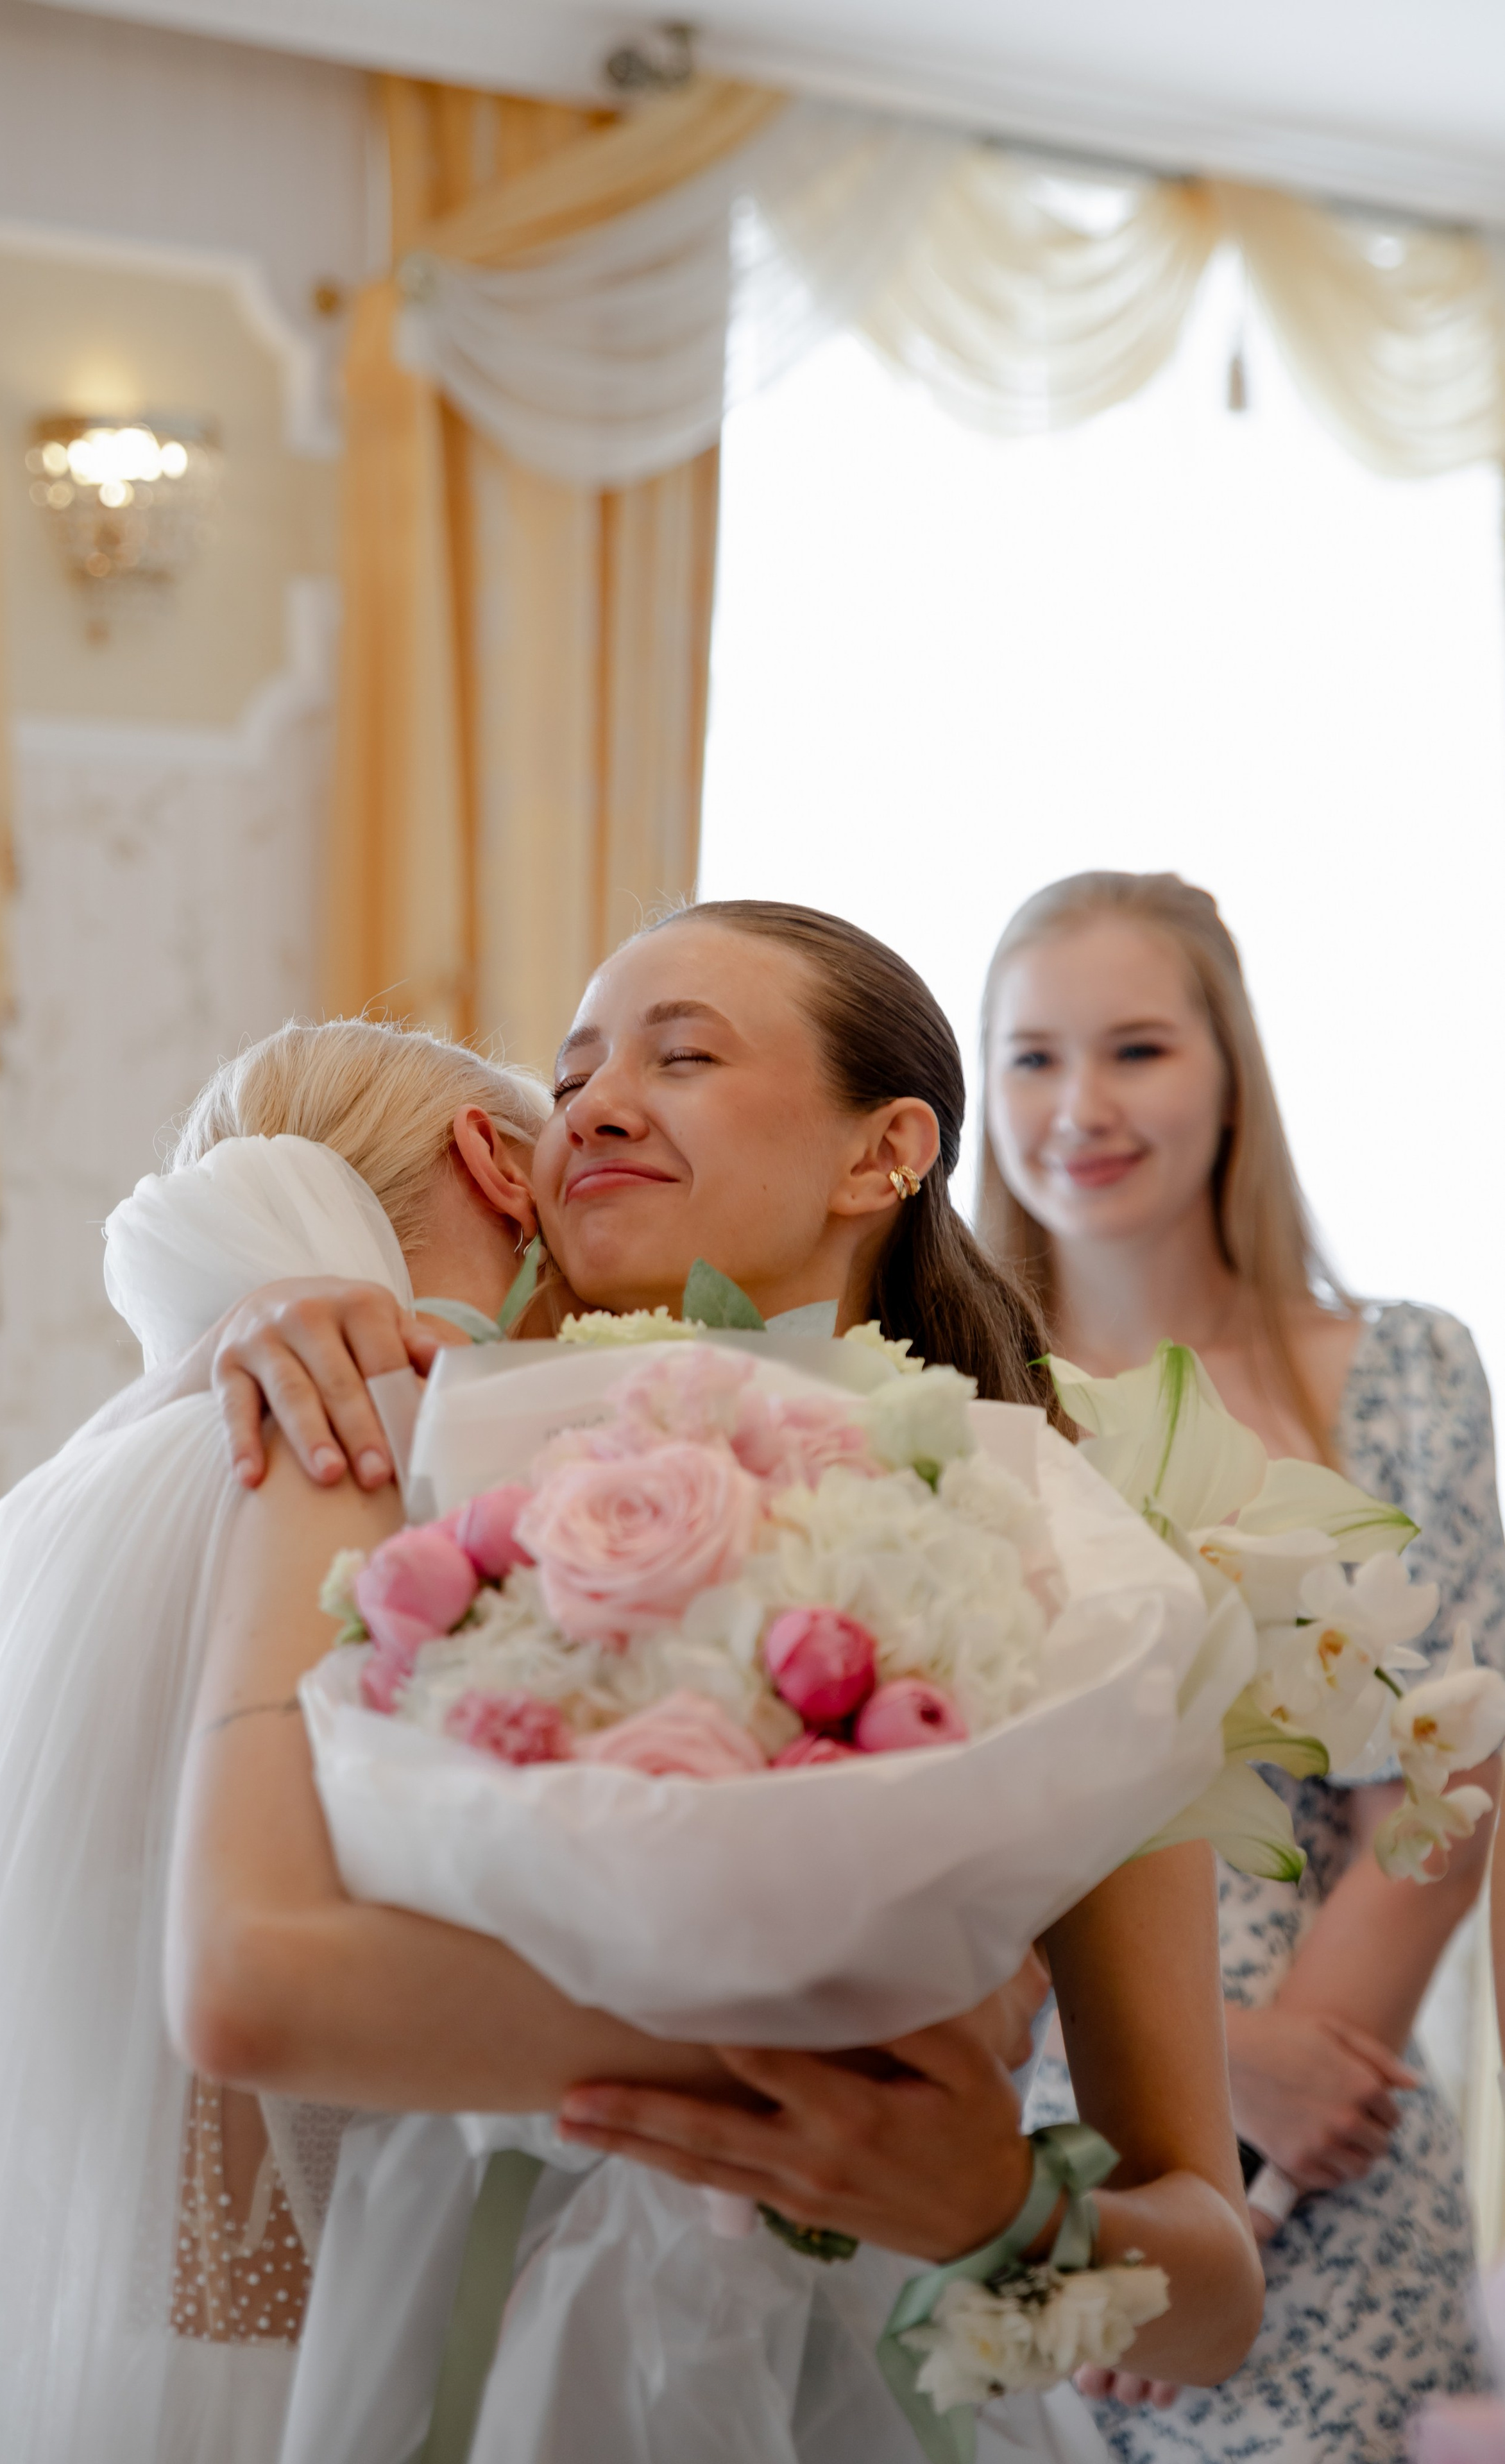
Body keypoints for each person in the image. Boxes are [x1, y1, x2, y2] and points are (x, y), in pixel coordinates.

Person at [172, 900, 1263, 2462]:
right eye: (570, 1079)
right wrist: (268, 1298)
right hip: (469, 2370)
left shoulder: (1076, 1566)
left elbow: (1212, 2297)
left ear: (883, 1153)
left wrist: (1001, 2208)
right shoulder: (404, 1474)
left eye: (680, 1057)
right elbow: (240, 2099)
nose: (597, 1105)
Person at [0, 1020, 558, 2463]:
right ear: (497, 1166)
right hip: (388, 2365)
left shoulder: (108, 1484)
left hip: (170, 2355)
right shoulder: (382, 1470)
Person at [976, 868, 1505, 2463]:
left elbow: (1443, 1794)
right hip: (1006, 2157)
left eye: (1135, 1049)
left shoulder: (1402, 1370)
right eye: (1030, 1057)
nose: (1079, 1106)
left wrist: (1240, 2191)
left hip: (1325, 2164)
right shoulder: (948, 1398)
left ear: (1228, 1074)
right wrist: (1187, 2084)